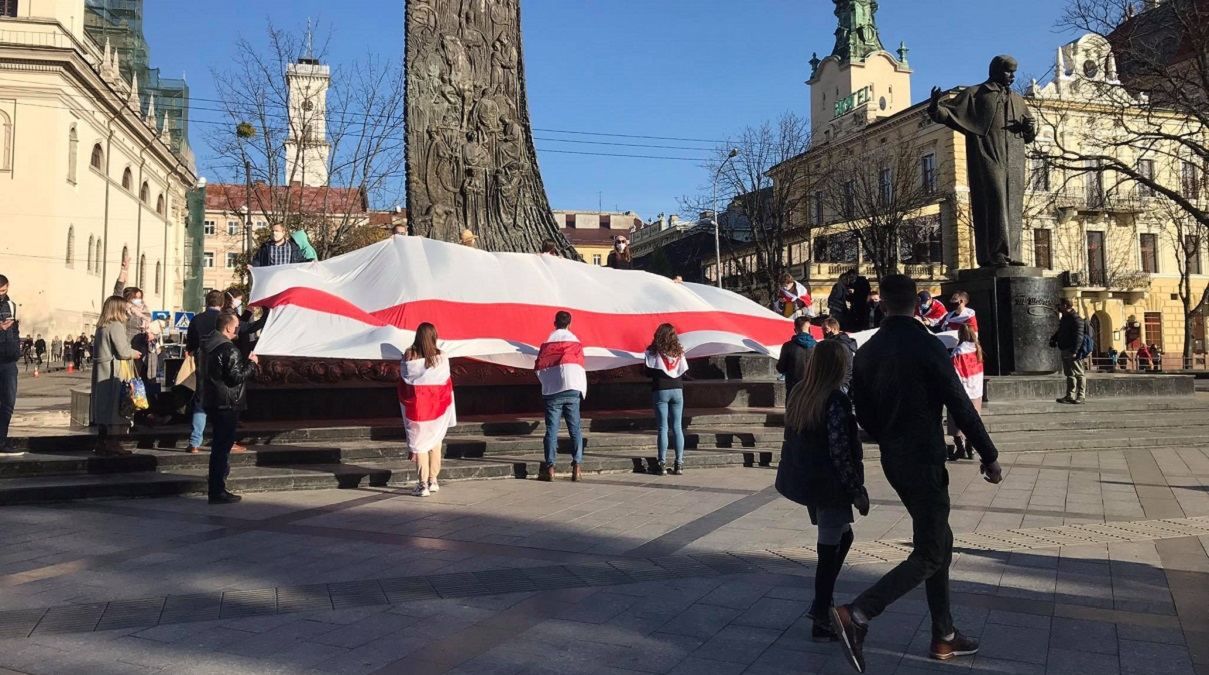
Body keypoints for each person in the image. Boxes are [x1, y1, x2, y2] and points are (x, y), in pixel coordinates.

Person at [830, 274, 1002, 672]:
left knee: (940, 536)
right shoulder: (927, 346)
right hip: (923, 458)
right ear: (914, 303)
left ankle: (944, 636)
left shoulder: (868, 351)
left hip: (894, 459)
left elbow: (865, 415)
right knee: (931, 550)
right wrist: (988, 454)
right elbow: (958, 402)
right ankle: (857, 614)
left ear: (885, 304)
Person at [775, 340, 869, 643]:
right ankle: (821, 614)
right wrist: (856, 489)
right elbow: (840, 450)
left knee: (841, 537)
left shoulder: (801, 392)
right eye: (847, 361)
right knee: (829, 548)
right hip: (830, 485)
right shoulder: (835, 400)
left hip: (808, 481)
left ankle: (821, 607)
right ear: (837, 366)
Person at [203, 313, 258, 505]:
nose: (238, 329)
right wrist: (252, 364)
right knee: (222, 447)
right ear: (228, 328)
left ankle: (216, 488)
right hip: (228, 402)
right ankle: (218, 490)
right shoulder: (229, 349)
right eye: (236, 326)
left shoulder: (209, 344)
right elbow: (236, 377)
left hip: (214, 400)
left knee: (218, 446)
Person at [186, 291, 249, 454]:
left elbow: (190, 344)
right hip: (224, 366)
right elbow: (247, 328)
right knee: (224, 406)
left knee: (200, 402)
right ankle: (228, 440)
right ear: (222, 303)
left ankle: (194, 442)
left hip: (203, 362)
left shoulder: (197, 319)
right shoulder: (224, 319)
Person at [399, 323, 456, 497]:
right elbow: (446, 380)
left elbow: (403, 378)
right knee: (436, 441)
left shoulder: (409, 354)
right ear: (434, 336)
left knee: (420, 444)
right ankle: (433, 480)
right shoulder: (442, 356)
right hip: (437, 406)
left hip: (417, 407)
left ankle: (422, 484)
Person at [534, 311, 587, 481]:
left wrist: (548, 380)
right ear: (569, 323)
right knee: (575, 429)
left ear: (554, 322)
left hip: (553, 391)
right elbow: (580, 364)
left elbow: (539, 366)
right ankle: (577, 466)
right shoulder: (576, 343)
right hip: (572, 389)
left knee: (552, 430)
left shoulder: (547, 344)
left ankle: (550, 467)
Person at [90, 296, 142, 456]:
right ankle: (114, 443)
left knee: (103, 407)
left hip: (101, 369)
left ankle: (102, 442)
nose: (127, 311)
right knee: (115, 407)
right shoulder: (116, 326)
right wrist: (135, 353)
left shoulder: (102, 326)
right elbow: (123, 351)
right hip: (113, 371)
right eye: (125, 308)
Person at [645, 323, 688, 476]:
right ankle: (679, 463)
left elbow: (647, 371)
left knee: (663, 427)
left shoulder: (652, 351)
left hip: (661, 389)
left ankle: (662, 463)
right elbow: (683, 370)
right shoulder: (679, 351)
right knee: (677, 427)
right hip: (677, 389)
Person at [947, 325, 984, 462]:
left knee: (955, 422)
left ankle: (960, 448)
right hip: (976, 391)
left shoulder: (958, 351)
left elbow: (953, 371)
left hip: (962, 391)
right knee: (973, 421)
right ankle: (971, 448)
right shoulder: (977, 349)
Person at [1050, 298, 1087, 404]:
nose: (1059, 307)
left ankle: (1081, 396)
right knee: (1069, 374)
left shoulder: (1076, 319)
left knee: (1079, 373)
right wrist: (1054, 338)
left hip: (1073, 350)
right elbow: (1061, 331)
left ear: (1065, 306)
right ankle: (1070, 395)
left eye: (1060, 305)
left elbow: (1079, 336)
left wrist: (1075, 351)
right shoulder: (1065, 318)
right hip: (1065, 349)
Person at [0, 275, 21, 456]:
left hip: (8, 360)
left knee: (8, 402)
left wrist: (16, 348)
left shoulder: (12, 305)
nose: (1, 295)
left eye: (3, 291)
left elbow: (15, 329)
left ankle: (2, 439)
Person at [776, 316, 816, 396]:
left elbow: (781, 368)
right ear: (810, 330)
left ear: (795, 330)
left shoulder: (787, 346)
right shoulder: (817, 346)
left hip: (793, 388)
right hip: (812, 388)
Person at [823, 318, 858, 393]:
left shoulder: (838, 345)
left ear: (834, 328)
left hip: (839, 384)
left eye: (826, 329)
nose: (824, 331)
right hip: (841, 383)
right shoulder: (843, 343)